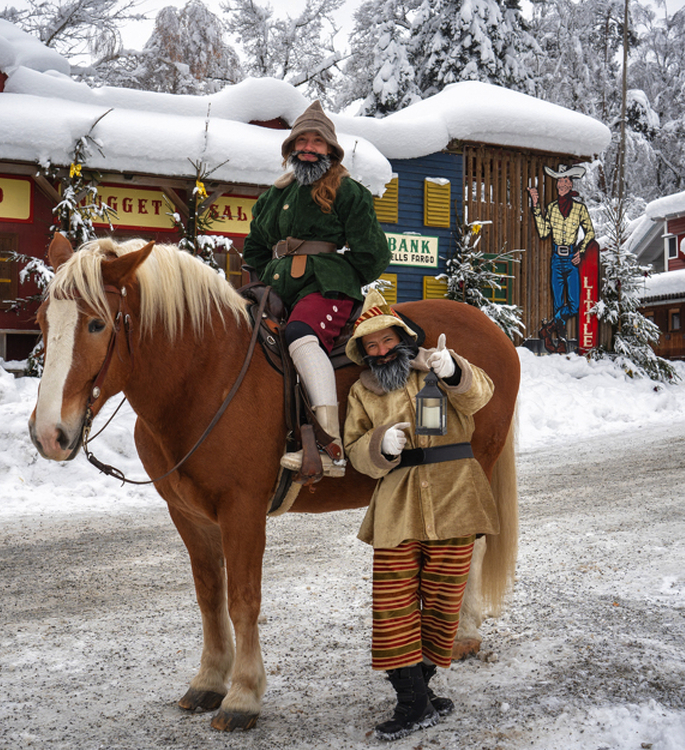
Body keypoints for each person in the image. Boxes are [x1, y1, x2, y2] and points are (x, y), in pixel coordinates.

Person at [341, 290, 501, 742]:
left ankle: (422, 695)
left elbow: (480, 396)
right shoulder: (361, 392)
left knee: (444, 600)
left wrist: (455, 373)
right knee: (393, 606)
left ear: (402, 337)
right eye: (370, 347)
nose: (380, 351)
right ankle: (413, 701)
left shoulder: (438, 365)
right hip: (398, 505)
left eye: (386, 341)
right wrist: (378, 447)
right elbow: (355, 451)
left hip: (457, 497)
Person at [242, 101, 391, 477]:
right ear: (291, 148)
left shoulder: (348, 192)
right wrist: (266, 282)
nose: (308, 147)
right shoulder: (273, 197)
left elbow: (373, 254)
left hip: (326, 289)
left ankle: (331, 446)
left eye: (317, 142)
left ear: (331, 150)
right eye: (301, 141)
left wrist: (337, 275)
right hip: (277, 291)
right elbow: (255, 248)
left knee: (300, 334)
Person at [526, 164, 598, 351]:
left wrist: (580, 251)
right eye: (559, 180)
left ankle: (547, 329)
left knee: (573, 305)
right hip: (556, 259)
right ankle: (561, 342)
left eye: (565, 180)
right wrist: (535, 205)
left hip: (571, 259)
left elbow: (590, 232)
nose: (562, 184)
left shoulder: (579, 209)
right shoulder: (551, 208)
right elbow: (543, 231)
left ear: (571, 185)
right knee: (558, 305)